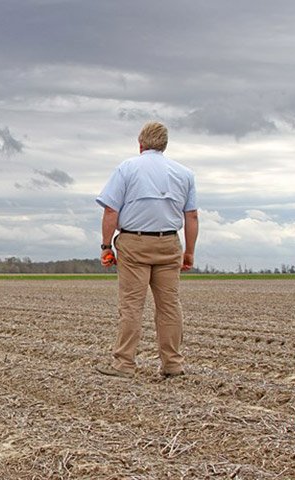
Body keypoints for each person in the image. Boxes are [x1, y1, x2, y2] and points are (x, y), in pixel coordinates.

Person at [95, 121, 198, 379]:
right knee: (169, 306)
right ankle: (173, 364)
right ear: (164, 145)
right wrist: (189, 252)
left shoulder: (127, 168)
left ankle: (124, 364)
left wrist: (107, 246)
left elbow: (110, 210)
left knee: (131, 305)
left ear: (140, 144)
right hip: (169, 243)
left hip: (134, 244)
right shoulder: (184, 173)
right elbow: (192, 215)